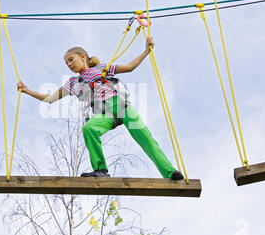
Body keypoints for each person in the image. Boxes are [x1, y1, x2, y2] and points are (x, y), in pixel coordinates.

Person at [17, 36, 184, 180]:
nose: (68, 64)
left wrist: (146, 51)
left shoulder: (101, 68)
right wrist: (27, 90)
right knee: (89, 128)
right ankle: (101, 170)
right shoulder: (73, 83)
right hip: (105, 114)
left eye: (71, 59)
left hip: (121, 106)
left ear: (83, 57)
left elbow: (129, 67)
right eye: (66, 63)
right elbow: (49, 99)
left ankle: (169, 172)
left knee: (145, 138)